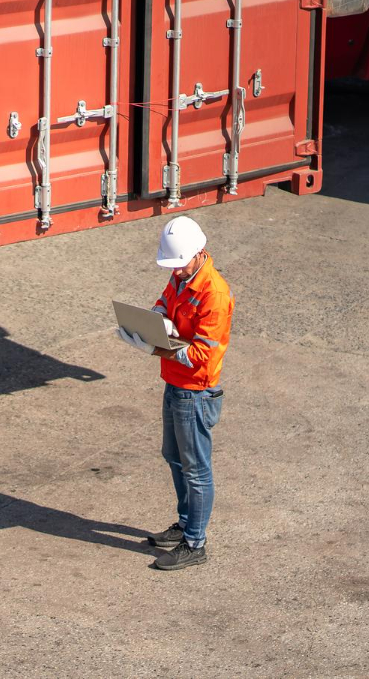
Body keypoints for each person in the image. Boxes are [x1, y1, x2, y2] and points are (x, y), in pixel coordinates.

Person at [116, 215, 231, 570]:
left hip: (195, 392)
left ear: (199, 254)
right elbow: (165, 300)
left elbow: (202, 355)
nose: (176, 273)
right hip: (176, 385)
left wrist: (156, 348)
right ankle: (185, 524)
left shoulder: (215, 295)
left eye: (180, 266)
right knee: (174, 457)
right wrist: (155, 320)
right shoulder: (182, 275)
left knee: (196, 469)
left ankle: (195, 542)